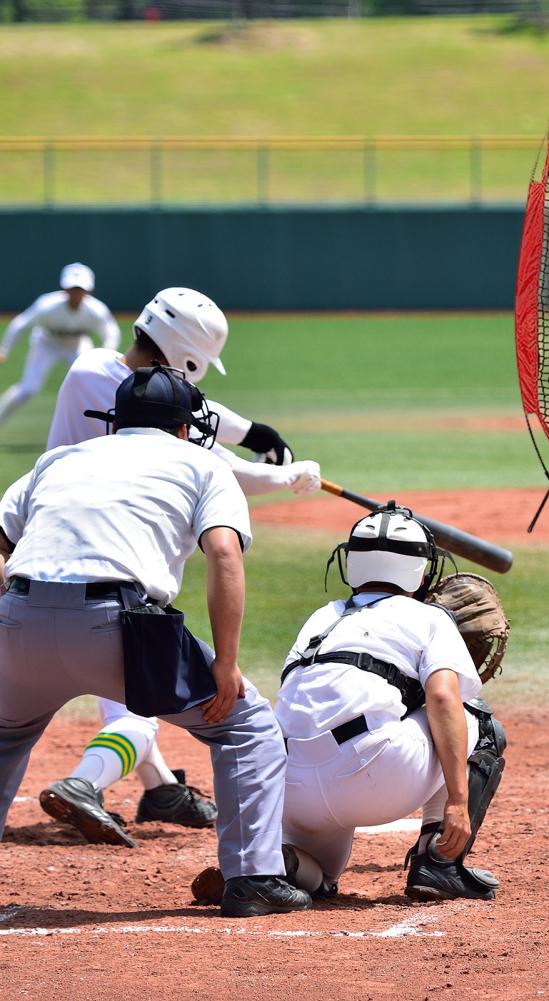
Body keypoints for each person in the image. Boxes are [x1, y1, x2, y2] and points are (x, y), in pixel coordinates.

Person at [0, 366, 312, 917]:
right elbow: (223, 555)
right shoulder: (201, 465)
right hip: (119, 631)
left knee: (4, 735)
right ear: (185, 429)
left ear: (115, 421)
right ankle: (252, 881)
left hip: (18, 616)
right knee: (248, 728)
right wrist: (228, 663)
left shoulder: (61, 459)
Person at [37, 287, 324, 847]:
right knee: (144, 698)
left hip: (63, 560)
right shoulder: (102, 379)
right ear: (183, 357)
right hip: (111, 569)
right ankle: (84, 781)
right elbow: (210, 460)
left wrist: (253, 433)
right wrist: (283, 475)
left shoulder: (96, 372)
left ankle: (161, 787)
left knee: (118, 693)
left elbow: (199, 417)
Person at [192, 502, 507, 906]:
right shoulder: (429, 617)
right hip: (376, 776)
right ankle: (440, 863)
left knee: (319, 875)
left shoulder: (321, 617)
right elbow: (444, 697)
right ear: (421, 570)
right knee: (475, 718)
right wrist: (458, 803)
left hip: (290, 783)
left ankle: (278, 864)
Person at [0, 263, 119, 430]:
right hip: (46, 343)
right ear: (64, 288)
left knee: (91, 384)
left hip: (77, 344)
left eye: (80, 289)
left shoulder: (96, 310)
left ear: (89, 290)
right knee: (28, 389)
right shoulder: (47, 305)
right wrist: (4, 350)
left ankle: (102, 429)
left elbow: (111, 333)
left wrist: (107, 355)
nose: (76, 293)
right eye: (72, 288)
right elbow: (20, 324)